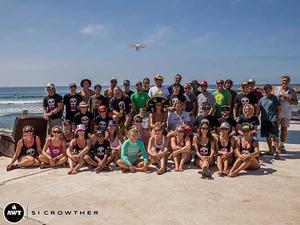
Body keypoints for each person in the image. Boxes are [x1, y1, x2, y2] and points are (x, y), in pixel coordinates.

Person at [273, 74, 298, 152]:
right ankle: (275, 145)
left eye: (286, 81)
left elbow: (296, 103)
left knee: (284, 129)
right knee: (275, 129)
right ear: (281, 81)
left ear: (289, 82)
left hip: (286, 113)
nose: (285, 82)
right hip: (276, 113)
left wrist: (287, 99)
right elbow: (270, 98)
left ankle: (282, 145)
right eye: (283, 80)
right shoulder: (276, 89)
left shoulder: (291, 91)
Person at [258, 84, 281, 159]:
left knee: (275, 136)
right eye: (265, 89)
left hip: (273, 120)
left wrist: (276, 118)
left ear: (271, 89)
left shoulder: (275, 98)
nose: (266, 90)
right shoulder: (261, 99)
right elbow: (259, 110)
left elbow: (279, 109)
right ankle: (271, 150)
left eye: (268, 89)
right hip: (264, 120)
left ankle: (277, 152)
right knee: (267, 136)